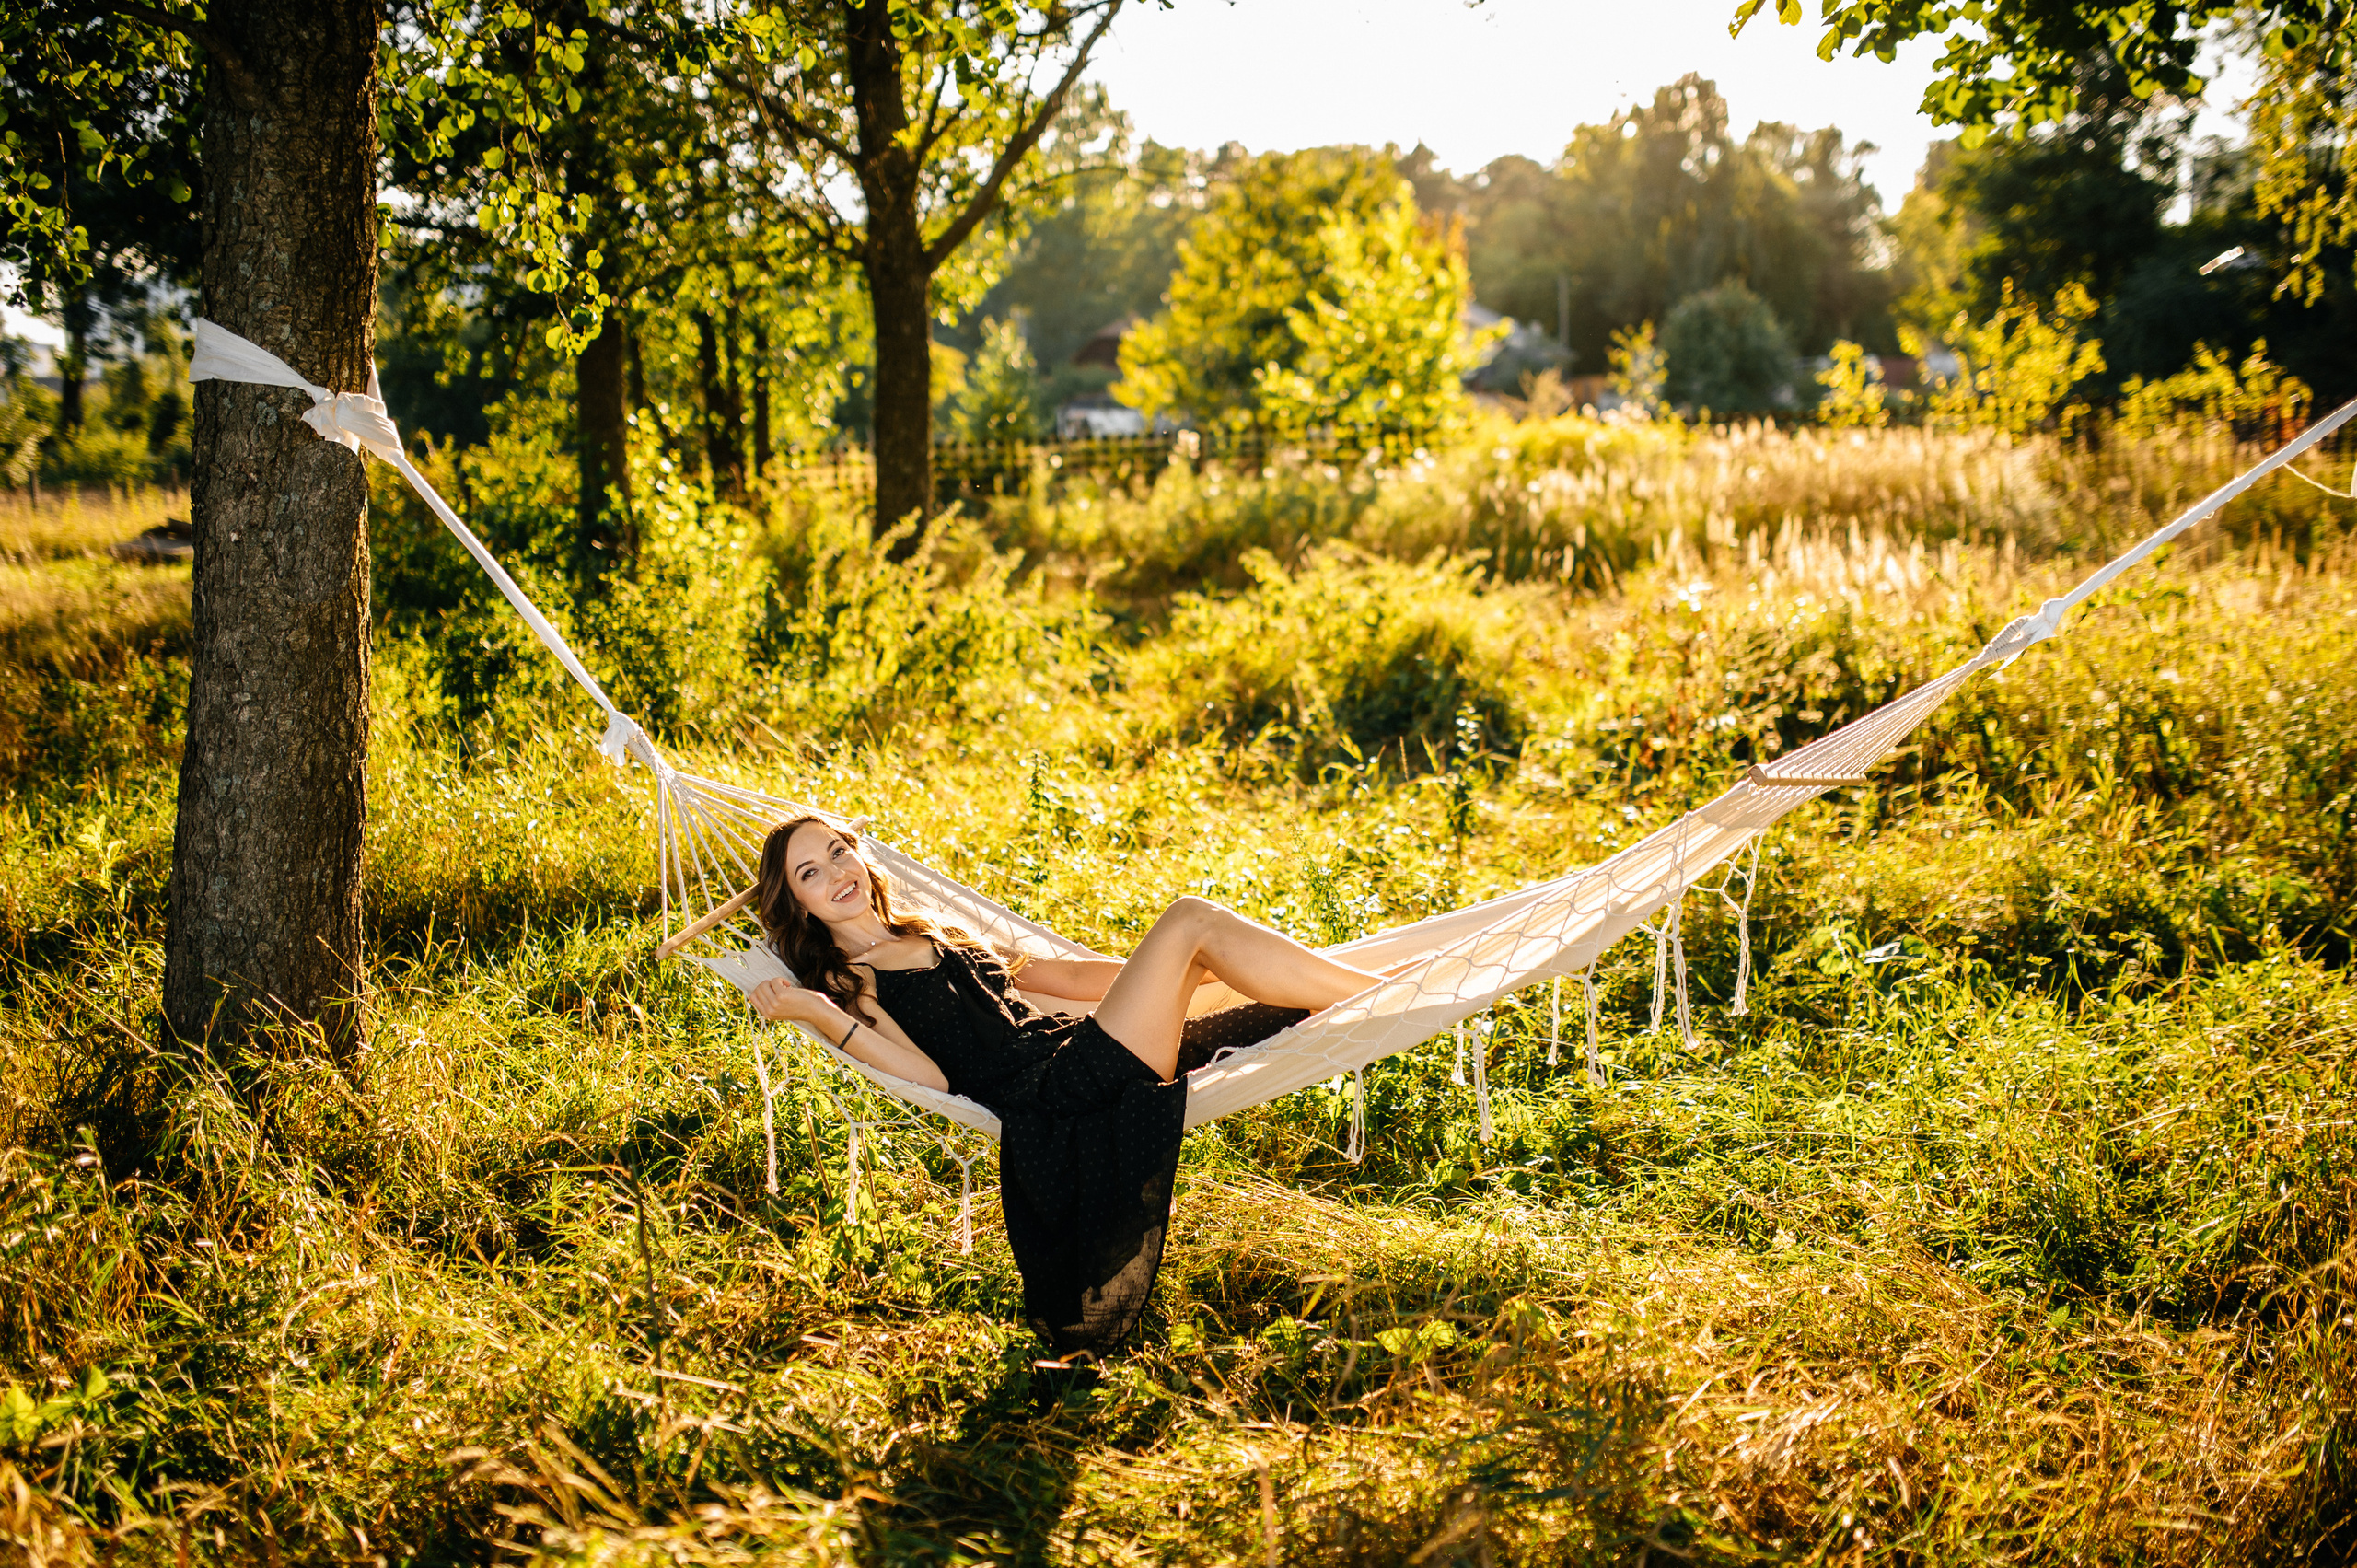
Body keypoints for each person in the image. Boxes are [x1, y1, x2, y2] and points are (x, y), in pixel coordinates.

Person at [749, 814, 1384, 1354]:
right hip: (1055, 1092)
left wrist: (1189, 971)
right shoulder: (849, 983)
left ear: (859, 855)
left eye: (839, 851)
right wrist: (819, 1013)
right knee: (1190, 919)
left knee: (1267, 992)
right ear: (797, 903)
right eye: (811, 872)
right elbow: (928, 1077)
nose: (837, 874)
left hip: (1079, 1049)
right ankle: (1393, 988)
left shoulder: (930, 930)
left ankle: (1384, 983)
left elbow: (1073, 979)